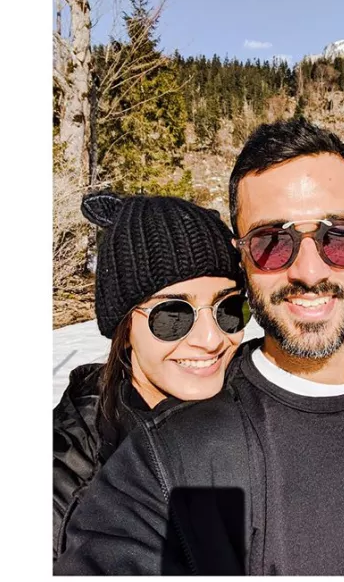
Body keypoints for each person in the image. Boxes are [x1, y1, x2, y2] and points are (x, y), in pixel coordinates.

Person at [55, 118, 344, 575]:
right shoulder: (156, 464)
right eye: (272, 243)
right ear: (245, 258)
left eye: (341, 237)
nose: (309, 272)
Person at [53, 192, 250, 561]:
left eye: (229, 308)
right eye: (173, 314)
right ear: (125, 328)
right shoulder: (69, 467)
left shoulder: (260, 405)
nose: (211, 339)